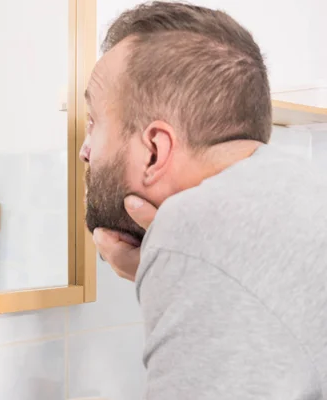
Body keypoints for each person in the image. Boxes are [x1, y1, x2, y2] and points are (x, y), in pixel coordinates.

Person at [80, 2, 327, 398]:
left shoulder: (196, 228)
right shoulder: (302, 186)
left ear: (155, 152)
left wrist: (178, 252)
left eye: (94, 122)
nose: (84, 150)